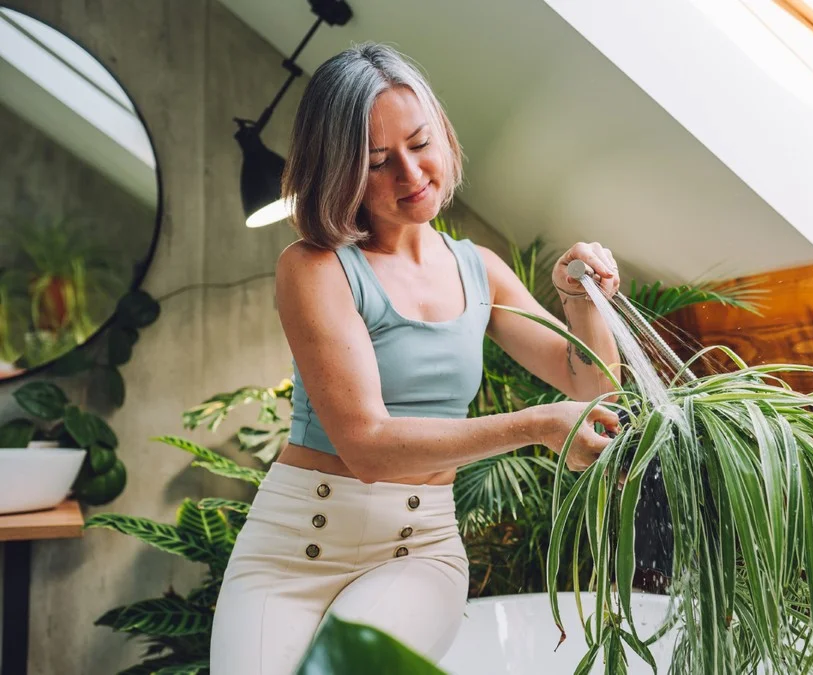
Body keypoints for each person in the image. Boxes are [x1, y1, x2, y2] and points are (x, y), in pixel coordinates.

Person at [210, 42, 622, 675]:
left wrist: (579, 299)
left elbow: (588, 381)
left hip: (416, 549)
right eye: (378, 162)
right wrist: (536, 426)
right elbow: (367, 447)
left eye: (420, 143)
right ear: (339, 171)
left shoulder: (478, 269)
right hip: (293, 550)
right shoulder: (315, 268)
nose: (411, 174)